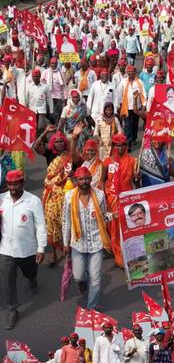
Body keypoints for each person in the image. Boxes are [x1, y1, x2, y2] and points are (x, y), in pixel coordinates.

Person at [0, 170, 46, 330]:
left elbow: (41, 225)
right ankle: (12, 309)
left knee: (30, 272)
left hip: (27, 250)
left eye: (16, 183)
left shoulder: (33, 201)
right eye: (10, 184)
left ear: (22, 183)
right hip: (6, 250)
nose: (12, 187)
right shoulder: (1, 200)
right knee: (7, 280)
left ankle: (32, 280)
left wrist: (41, 248)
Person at [62, 166, 111, 309]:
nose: (84, 181)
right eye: (81, 179)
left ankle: (92, 307)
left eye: (86, 178)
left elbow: (103, 216)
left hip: (96, 242)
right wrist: (66, 243)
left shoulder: (100, 195)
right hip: (78, 243)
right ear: (76, 180)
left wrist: (113, 216)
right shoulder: (69, 197)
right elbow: (66, 221)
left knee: (95, 279)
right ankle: (82, 282)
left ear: (90, 179)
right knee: (78, 276)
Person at [102, 133, 139, 267]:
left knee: (127, 228)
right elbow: (102, 181)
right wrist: (103, 201)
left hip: (127, 201)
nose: (121, 148)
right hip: (111, 200)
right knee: (114, 230)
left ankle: (129, 254)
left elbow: (136, 182)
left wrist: (137, 176)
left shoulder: (132, 161)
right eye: (118, 145)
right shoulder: (107, 162)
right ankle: (119, 257)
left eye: (123, 145)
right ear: (114, 147)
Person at [42, 130, 72, 267]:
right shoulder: (49, 154)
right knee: (50, 221)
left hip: (64, 193)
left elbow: (67, 173)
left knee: (64, 222)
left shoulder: (68, 157)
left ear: (65, 143)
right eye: (56, 142)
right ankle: (53, 252)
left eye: (61, 141)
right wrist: (45, 132)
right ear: (53, 144)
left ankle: (67, 251)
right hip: (50, 194)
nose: (59, 144)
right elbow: (37, 147)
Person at [115, 64, 146, 150]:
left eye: (132, 73)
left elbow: (143, 94)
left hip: (137, 107)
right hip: (126, 107)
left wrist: (143, 106)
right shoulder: (123, 82)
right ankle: (128, 142)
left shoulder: (139, 82)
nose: (131, 75)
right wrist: (118, 106)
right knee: (128, 125)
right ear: (127, 73)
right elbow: (119, 94)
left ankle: (134, 138)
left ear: (135, 73)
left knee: (135, 124)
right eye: (129, 73)